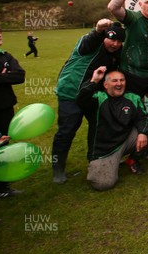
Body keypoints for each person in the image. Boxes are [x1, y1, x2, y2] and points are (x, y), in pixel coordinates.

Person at [52, 20, 124, 184]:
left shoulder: (115, 54)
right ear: (104, 36)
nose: (115, 44)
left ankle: (94, 160)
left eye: (119, 41)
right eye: (112, 39)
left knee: (98, 127)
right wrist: (97, 30)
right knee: (67, 131)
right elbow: (90, 40)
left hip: (92, 96)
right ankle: (58, 168)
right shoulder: (89, 45)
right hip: (71, 93)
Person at [77, 68, 148, 191]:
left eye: (122, 80)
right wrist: (93, 80)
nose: (119, 83)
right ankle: (105, 164)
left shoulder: (133, 98)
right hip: (105, 150)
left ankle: (132, 160)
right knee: (103, 184)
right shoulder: (97, 98)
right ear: (105, 84)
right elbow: (81, 99)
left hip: (125, 140)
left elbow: (142, 118)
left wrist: (142, 133)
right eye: (114, 81)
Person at [0, 24, 26, 198]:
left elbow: (20, 75)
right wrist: (4, 77)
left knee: (2, 145)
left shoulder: (5, 55)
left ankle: (0, 186)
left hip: (5, 108)